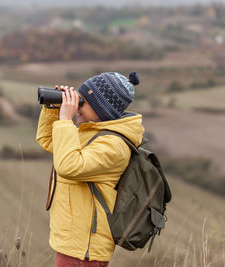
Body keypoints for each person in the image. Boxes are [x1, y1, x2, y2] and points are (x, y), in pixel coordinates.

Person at [36, 72, 145, 267]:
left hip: (85, 249)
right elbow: (49, 141)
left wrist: (65, 120)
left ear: (102, 109)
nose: (77, 106)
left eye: (82, 102)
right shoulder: (91, 133)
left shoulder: (113, 145)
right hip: (74, 243)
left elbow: (69, 166)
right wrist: (53, 110)